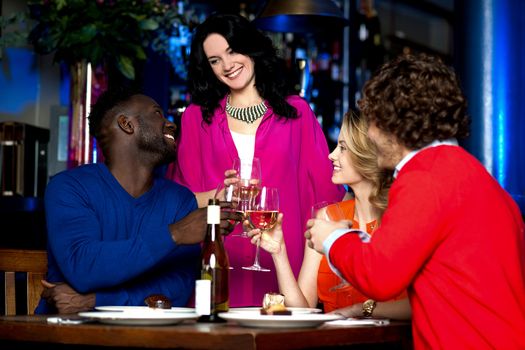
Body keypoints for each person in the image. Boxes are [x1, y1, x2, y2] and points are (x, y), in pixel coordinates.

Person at [306, 54, 525, 348]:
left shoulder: (425, 177)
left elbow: (380, 276)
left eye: (374, 121)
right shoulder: (475, 175)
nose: (370, 134)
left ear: (395, 122)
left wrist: (332, 239)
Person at [166, 13, 344, 306]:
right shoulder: (198, 118)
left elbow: (327, 195)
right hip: (218, 263)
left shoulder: (297, 113)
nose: (227, 65)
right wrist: (215, 196)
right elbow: (175, 200)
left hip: (284, 263)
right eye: (214, 60)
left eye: (232, 51)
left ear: (251, 48)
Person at [36, 88, 239, 314]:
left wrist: (98, 300)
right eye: (157, 114)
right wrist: (176, 234)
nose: (171, 124)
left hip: (147, 338)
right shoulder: (69, 187)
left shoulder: (179, 200)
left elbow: (179, 287)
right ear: (126, 124)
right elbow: (83, 268)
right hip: (69, 335)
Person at [247, 111, 410, 319]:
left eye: (342, 148)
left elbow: (423, 304)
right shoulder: (326, 218)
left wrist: (360, 310)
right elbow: (302, 309)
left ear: (367, 155)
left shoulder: (401, 217)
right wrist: (279, 253)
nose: (331, 155)